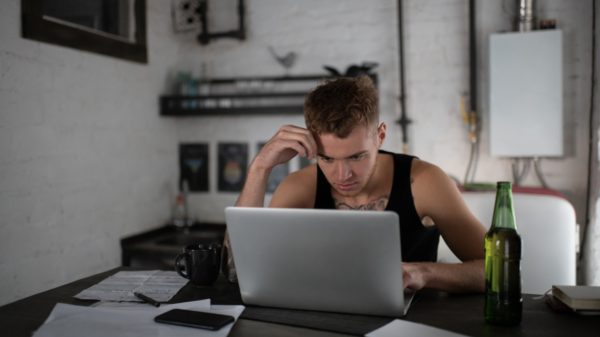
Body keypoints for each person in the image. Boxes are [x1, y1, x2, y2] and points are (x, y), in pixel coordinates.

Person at [226, 76, 486, 293]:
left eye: (356, 156)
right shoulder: (298, 187)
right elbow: (237, 266)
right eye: (326, 158)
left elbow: (499, 271)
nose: (342, 175)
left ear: (380, 136)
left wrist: (424, 273)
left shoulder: (424, 182)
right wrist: (260, 167)